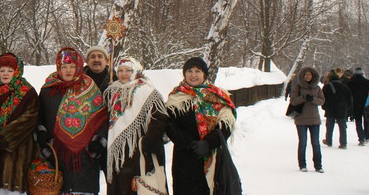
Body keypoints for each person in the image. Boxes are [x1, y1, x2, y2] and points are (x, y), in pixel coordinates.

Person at [36, 47, 108, 195]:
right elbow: (39, 115)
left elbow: (102, 118)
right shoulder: (48, 89)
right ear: (58, 67)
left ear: (79, 67)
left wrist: (99, 141)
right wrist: (41, 134)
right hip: (55, 152)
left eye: (72, 66)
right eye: (64, 67)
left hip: (85, 156)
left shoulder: (90, 88)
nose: (68, 70)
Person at [166, 57, 239, 195]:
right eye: (189, 71)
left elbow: (226, 125)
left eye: (197, 71)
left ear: (204, 74)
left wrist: (208, 143)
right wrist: (190, 143)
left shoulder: (218, 95)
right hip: (185, 159)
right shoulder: (175, 97)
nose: (193, 75)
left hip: (212, 156)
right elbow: (170, 125)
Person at [0, 53, 39, 195]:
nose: (5, 74)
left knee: (12, 188)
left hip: (17, 151)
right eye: (2, 70)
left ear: (17, 71)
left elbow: (30, 118)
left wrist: (6, 138)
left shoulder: (27, 92)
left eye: (10, 71)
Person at [103, 56, 168, 195]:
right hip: (117, 149)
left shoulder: (147, 90)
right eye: (120, 70)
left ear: (136, 71)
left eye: (128, 70)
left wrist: (148, 141)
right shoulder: (112, 90)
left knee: (137, 186)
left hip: (138, 147)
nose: (124, 74)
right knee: (119, 184)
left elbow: (159, 117)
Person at [289, 66, 325, 173]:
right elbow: (293, 101)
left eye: (309, 75)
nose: (307, 76)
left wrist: (313, 99)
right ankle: (302, 164)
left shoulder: (317, 88)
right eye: (305, 75)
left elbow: (322, 101)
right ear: (302, 76)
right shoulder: (297, 87)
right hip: (301, 119)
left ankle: (318, 165)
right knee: (303, 142)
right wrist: (303, 98)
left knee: (315, 143)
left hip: (314, 119)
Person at [321, 71, 353, 149]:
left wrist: (324, 107)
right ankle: (343, 143)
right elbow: (350, 99)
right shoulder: (345, 87)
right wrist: (347, 108)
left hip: (330, 109)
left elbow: (322, 98)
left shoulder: (327, 87)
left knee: (329, 126)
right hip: (342, 110)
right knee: (342, 127)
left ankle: (328, 140)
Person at [347, 67, 369, 146]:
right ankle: (367, 136)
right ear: (362, 73)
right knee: (366, 120)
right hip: (366, 103)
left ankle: (361, 138)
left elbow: (347, 93)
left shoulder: (350, 83)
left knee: (358, 121)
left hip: (355, 104)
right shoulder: (366, 82)